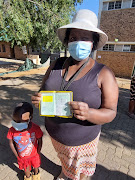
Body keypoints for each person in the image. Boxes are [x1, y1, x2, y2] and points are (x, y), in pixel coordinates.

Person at [31, 9, 118, 180]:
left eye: (85, 37)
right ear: (67, 42)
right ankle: (65, 171)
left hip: (83, 143)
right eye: (73, 38)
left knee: (80, 174)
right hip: (55, 137)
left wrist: (90, 113)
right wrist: (39, 98)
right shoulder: (56, 64)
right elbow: (43, 89)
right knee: (65, 163)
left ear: (93, 42)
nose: (78, 42)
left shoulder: (104, 73)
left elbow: (111, 111)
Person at [7, 102, 43, 180]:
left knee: (36, 167)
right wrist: (17, 155)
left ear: (30, 117)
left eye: (21, 122)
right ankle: (28, 177)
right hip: (22, 157)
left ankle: (36, 175)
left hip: (34, 155)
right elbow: (11, 143)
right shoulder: (12, 130)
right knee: (26, 170)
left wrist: (38, 151)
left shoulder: (35, 128)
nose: (18, 125)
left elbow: (40, 140)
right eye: (16, 121)